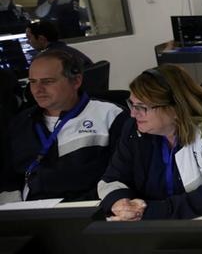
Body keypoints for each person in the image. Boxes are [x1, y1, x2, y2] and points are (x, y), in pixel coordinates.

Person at [98, 64, 202, 220]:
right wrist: (120, 202)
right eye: (131, 104)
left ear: (175, 108)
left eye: (141, 107)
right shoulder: (133, 130)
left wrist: (154, 211)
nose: (133, 114)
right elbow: (113, 178)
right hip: (145, 224)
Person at [0, 50, 126, 203]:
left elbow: (122, 175)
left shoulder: (111, 116)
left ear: (76, 81)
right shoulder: (21, 123)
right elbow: (8, 177)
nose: (37, 90)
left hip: (89, 209)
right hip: (32, 213)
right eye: (33, 82)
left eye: (47, 81)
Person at [26, 20, 93, 68]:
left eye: (29, 38)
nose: (27, 42)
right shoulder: (72, 51)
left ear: (41, 39)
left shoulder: (42, 60)